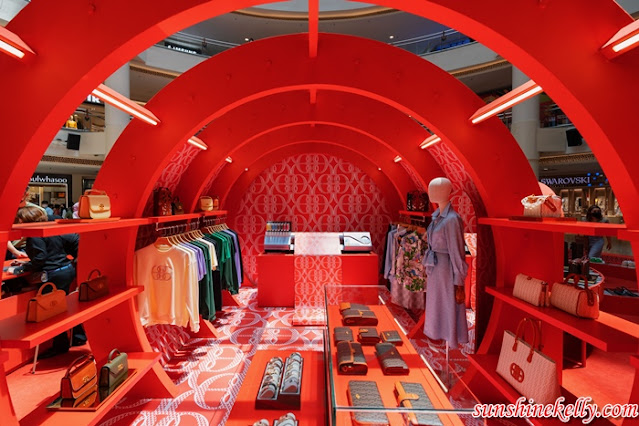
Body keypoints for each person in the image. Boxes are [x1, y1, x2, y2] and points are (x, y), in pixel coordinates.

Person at [15, 205, 86, 357]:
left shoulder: (34, 234)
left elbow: (40, 258)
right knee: (66, 307)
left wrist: (25, 266)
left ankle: (60, 345)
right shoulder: (49, 227)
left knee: (52, 312)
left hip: (52, 276)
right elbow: (73, 240)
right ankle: (78, 336)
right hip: (66, 271)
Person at [422, 177, 469, 349]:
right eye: (430, 188)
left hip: (446, 269)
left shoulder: (452, 219)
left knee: (447, 304)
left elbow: (457, 251)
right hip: (435, 269)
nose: (431, 192)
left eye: (436, 188)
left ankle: (449, 336)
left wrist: (459, 280)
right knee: (436, 305)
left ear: (447, 192)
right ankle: (437, 334)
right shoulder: (437, 217)